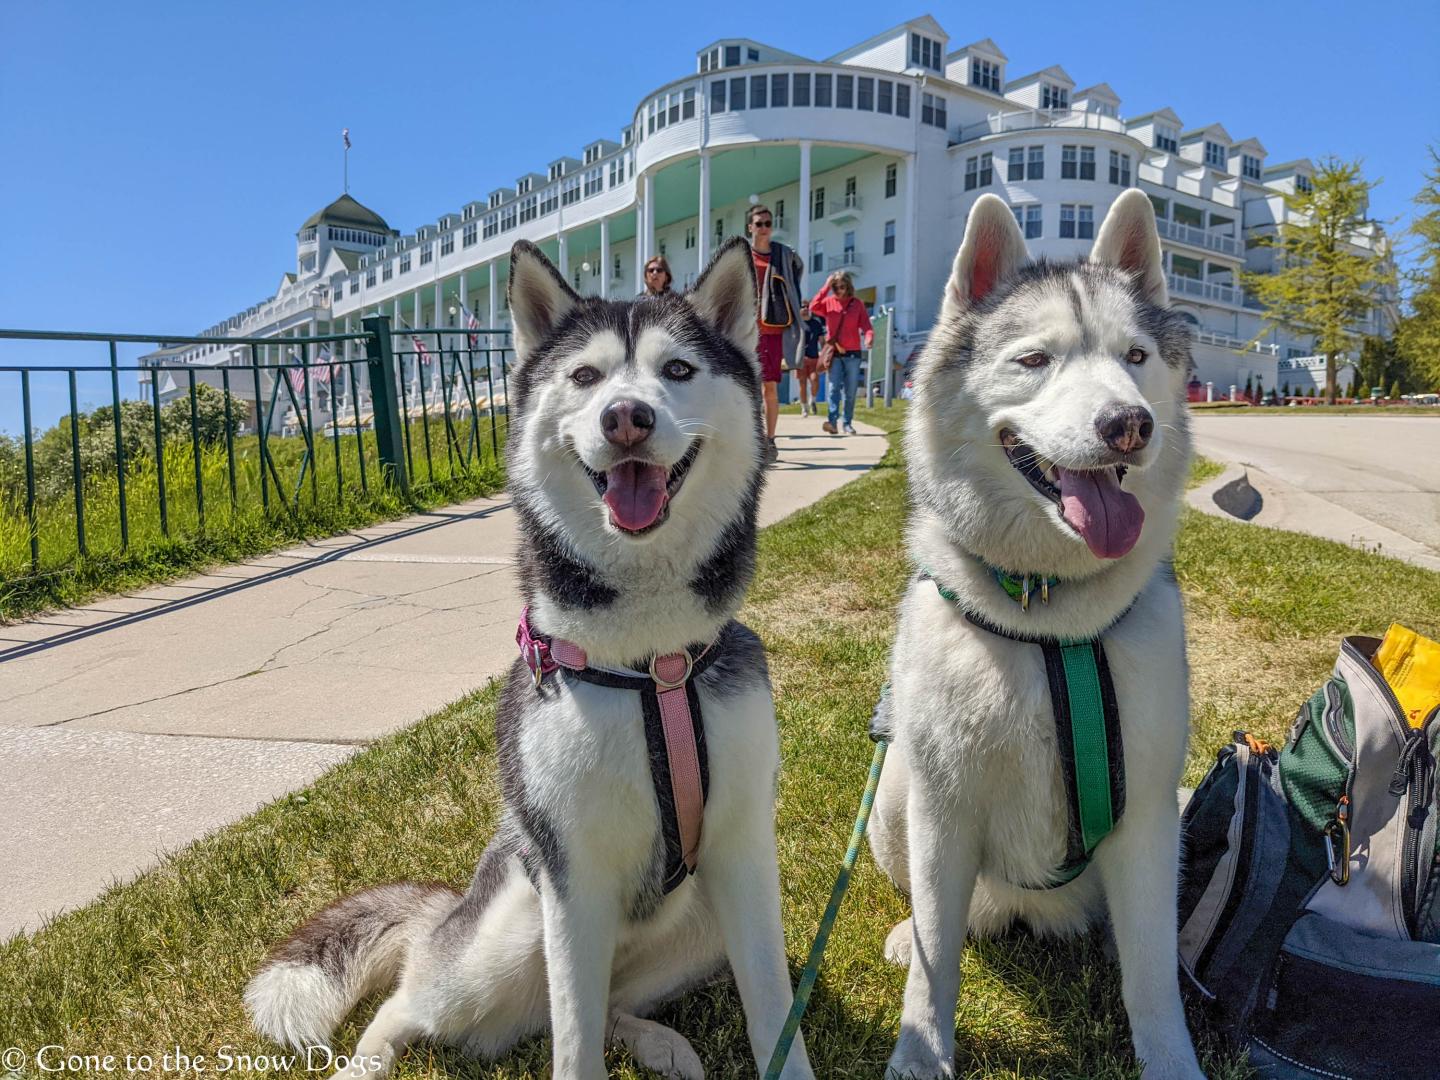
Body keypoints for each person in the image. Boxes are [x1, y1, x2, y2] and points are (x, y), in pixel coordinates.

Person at [746, 204, 804, 464]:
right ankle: (751, 440)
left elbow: (796, 273)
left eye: (768, 223)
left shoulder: (782, 255)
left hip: (771, 330)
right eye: (759, 223)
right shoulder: (744, 256)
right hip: (745, 330)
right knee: (747, 389)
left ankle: (769, 440)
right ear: (750, 227)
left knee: (769, 386)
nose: (764, 228)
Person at [810, 271, 873, 435]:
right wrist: (825, 286)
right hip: (835, 354)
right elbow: (813, 306)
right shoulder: (829, 302)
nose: (838, 290)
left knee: (850, 391)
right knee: (833, 389)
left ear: (848, 286)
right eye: (835, 287)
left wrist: (868, 338)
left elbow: (866, 325)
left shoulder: (857, 304)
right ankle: (832, 422)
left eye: (842, 287)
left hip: (853, 354)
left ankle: (847, 423)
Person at [798, 302, 825, 417]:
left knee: (814, 380)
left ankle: (812, 400)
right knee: (802, 383)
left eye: (807, 307)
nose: (805, 309)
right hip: (800, 359)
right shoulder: (797, 324)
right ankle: (804, 408)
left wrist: (824, 354)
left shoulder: (816, 324)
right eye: (803, 307)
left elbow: (822, 340)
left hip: (814, 358)